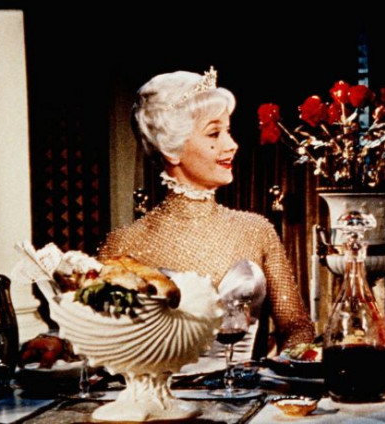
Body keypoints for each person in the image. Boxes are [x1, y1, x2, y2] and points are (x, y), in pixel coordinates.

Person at [99, 67, 315, 354]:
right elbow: (99, 342)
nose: (231, 145)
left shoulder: (256, 230)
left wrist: (283, 366)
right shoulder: (122, 244)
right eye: (214, 133)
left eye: (228, 131)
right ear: (171, 149)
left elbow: (298, 327)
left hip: (247, 383)